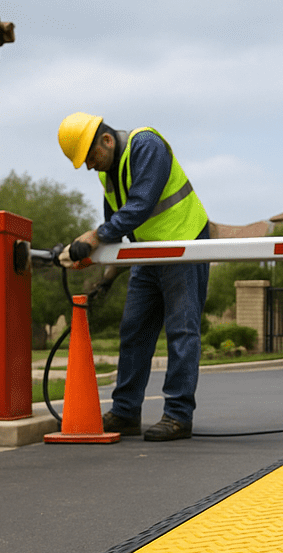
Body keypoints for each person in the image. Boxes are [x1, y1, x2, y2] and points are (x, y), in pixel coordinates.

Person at [57, 112, 210, 441]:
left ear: (107, 140)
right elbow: (118, 232)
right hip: (148, 256)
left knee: (182, 331)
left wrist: (93, 238)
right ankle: (126, 412)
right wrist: (106, 277)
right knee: (134, 331)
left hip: (184, 247)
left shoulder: (146, 145)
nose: (89, 167)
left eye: (90, 157)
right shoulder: (108, 175)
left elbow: (139, 207)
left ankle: (178, 415)